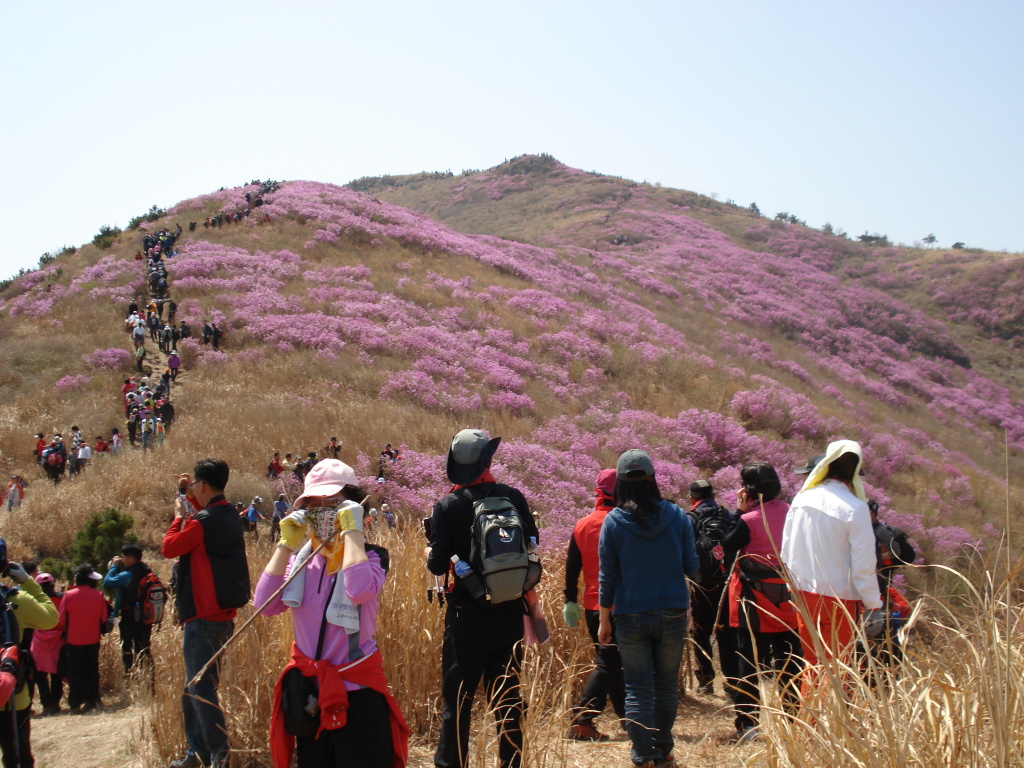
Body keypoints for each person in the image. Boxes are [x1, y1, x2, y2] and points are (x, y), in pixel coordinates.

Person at [256, 460, 409, 768]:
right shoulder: (302, 562)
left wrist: (352, 530)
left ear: (352, 506)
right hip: (311, 694)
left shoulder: (373, 557)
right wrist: (286, 544)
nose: (323, 513)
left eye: (333, 504)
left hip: (359, 693)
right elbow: (264, 604)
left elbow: (358, 590)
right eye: (313, 505)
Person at [426, 429, 537, 768]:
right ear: (488, 460)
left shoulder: (448, 505)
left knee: (457, 700)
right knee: (508, 699)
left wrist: (433, 543)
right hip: (510, 612)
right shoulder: (512, 496)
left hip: (466, 617)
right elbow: (532, 539)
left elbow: (435, 563)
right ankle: (510, 763)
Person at [598, 450, 700, 768]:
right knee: (666, 684)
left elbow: (607, 577)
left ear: (621, 484)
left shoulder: (613, 521)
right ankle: (664, 749)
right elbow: (691, 566)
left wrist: (604, 620)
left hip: (629, 613)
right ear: (653, 479)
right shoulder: (677, 515)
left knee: (638, 686)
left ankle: (644, 755)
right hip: (672, 609)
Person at [162, 459, 251, 768]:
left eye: (195, 487)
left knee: (199, 688)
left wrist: (177, 516)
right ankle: (194, 755)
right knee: (195, 686)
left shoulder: (201, 522)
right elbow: (200, 514)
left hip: (202, 618)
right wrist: (185, 495)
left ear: (202, 485)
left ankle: (219, 757)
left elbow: (170, 547)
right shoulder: (227, 515)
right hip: (222, 617)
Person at [780, 439, 884, 677]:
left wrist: (791, 585)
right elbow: (864, 564)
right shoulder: (855, 508)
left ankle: (810, 714)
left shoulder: (801, 499)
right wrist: (873, 603)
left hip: (804, 595)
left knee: (812, 666)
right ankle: (832, 715)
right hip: (841, 600)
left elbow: (786, 548)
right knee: (837, 670)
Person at [721, 462, 802, 741]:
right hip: (788, 600)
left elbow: (726, 545)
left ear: (749, 489)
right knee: (789, 662)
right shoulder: (791, 513)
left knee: (748, 663)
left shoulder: (749, 520)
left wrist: (738, 512)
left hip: (752, 601)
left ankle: (748, 724)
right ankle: (793, 720)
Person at [563, 468, 625, 741]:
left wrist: (569, 601)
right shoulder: (626, 522)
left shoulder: (582, 524)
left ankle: (628, 718)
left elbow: (571, 568)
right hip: (621, 606)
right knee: (609, 663)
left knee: (612, 661)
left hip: (591, 607)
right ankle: (582, 719)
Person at [0, 543, 57, 765]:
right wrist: (28, 583)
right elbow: (51, 618)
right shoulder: (16, 600)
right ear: (5, 565)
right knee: (18, 754)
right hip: (11, 692)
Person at [685, 479, 738, 695]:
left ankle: (705, 679)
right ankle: (732, 683)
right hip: (727, 583)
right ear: (713, 496)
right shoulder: (728, 515)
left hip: (701, 584)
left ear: (692, 498)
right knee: (727, 632)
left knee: (700, 631)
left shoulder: (690, 518)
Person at [58, 564, 109, 713]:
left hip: (73, 640)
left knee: (75, 671)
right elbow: (104, 618)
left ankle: (74, 703)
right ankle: (93, 700)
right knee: (92, 669)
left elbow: (61, 620)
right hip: (93, 639)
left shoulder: (68, 595)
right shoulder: (98, 595)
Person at [102, 544, 155, 674]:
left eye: (124, 557)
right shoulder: (148, 571)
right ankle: (149, 680)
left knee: (128, 649)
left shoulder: (128, 574)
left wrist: (114, 566)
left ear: (131, 558)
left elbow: (107, 582)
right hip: (145, 618)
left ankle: (130, 677)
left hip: (130, 618)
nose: (123, 560)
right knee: (144, 648)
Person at [30, 573, 65, 716]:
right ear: (52, 584)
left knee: (40, 673)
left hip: (39, 639)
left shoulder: (34, 600)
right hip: (58, 639)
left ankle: (47, 703)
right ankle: (56, 702)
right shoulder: (62, 597)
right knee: (56, 672)